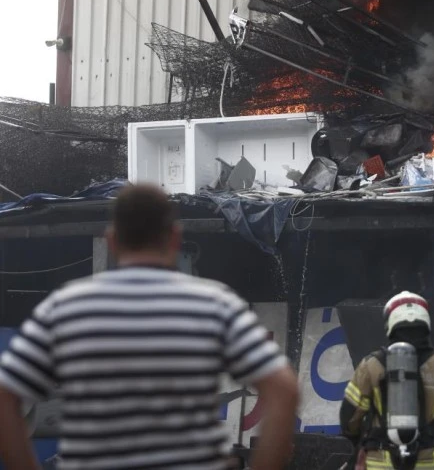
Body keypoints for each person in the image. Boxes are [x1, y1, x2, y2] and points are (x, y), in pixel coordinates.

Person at [0, 184, 299, 470]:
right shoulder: (214, 304)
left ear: (113, 240)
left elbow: (6, 395)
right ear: (174, 237)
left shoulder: (66, 306)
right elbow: (283, 390)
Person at [340, 291, 434, 470]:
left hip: (382, 464)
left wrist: (361, 440)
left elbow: (349, 417)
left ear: (391, 324)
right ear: (426, 323)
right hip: (433, 464)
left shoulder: (371, 366)